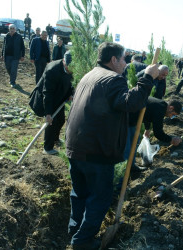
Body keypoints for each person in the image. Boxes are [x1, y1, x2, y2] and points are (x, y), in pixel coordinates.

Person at [65, 42, 159, 249]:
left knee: (79, 192)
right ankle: (83, 241)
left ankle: (74, 230)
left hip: (75, 145)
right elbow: (130, 103)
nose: (126, 63)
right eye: (124, 59)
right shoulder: (113, 79)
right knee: (100, 196)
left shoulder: (89, 75)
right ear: (114, 60)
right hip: (96, 150)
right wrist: (147, 79)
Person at [41, 51, 74, 155]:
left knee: (60, 120)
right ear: (64, 61)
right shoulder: (52, 70)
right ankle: (48, 147)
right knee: (51, 122)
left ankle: (55, 139)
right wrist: (48, 113)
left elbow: (71, 83)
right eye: (68, 66)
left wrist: (70, 93)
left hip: (61, 97)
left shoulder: (73, 69)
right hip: (51, 97)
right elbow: (48, 92)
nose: (70, 69)